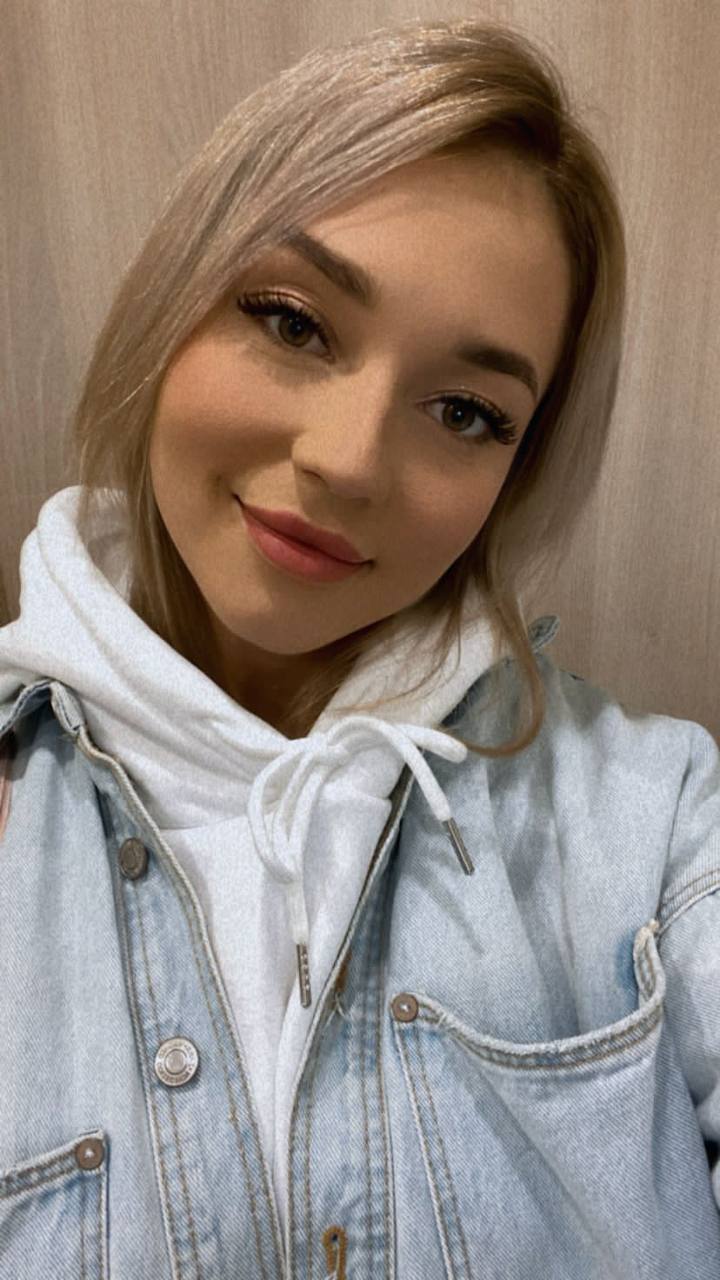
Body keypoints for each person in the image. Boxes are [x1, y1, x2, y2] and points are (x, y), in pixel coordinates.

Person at [0, 15, 718, 1279]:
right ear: (173, 302)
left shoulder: (656, 822)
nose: (346, 459)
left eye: (465, 410)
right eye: (293, 322)